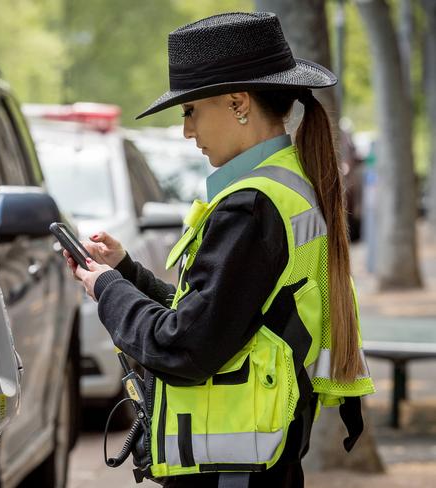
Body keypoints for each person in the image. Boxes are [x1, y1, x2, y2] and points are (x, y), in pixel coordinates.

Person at [62, 12, 375, 488]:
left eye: (191, 111)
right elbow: (227, 316)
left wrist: (107, 290)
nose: (188, 131)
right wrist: (125, 273)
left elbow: (183, 345)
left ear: (237, 103)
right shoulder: (286, 189)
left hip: (230, 475)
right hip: (258, 468)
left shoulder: (250, 208)